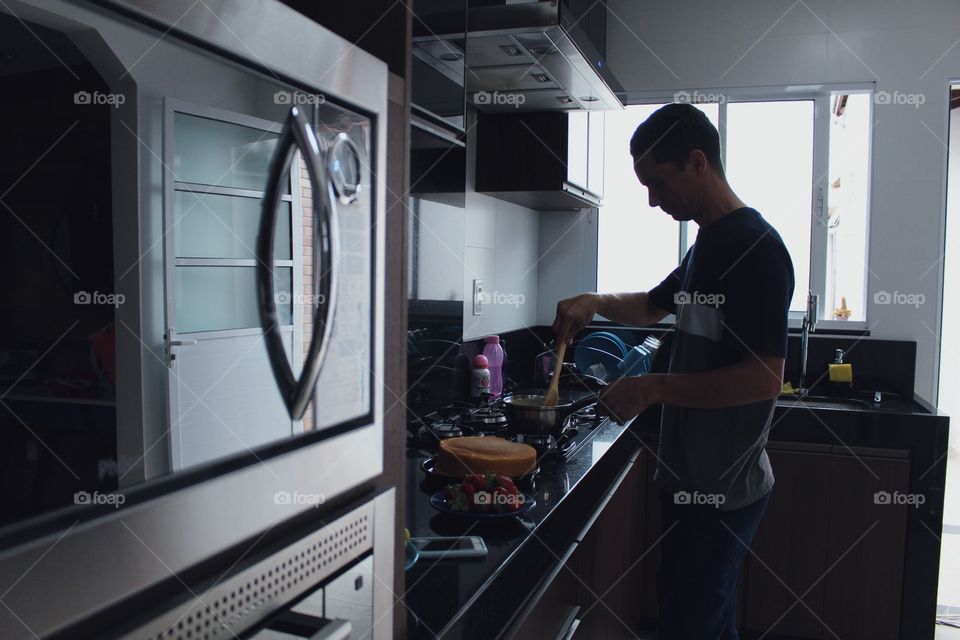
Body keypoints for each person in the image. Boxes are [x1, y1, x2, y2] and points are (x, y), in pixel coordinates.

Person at [552, 103, 795, 640]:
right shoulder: (707, 244)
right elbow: (650, 305)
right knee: (695, 616)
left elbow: (763, 378)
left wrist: (653, 387)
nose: (653, 200)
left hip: (724, 488)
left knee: (694, 621)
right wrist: (593, 301)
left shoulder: (754, 248)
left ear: (697, 161)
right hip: (692, 478)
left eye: (658, 183)